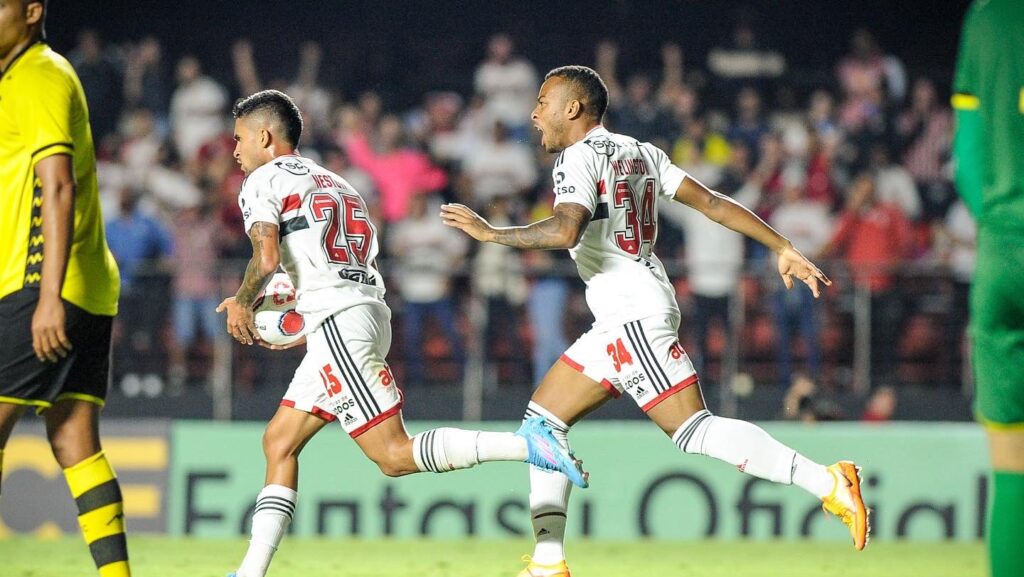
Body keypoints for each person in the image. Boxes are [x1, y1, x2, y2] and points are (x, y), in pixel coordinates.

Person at [440, 66, 869, 577]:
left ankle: (828, 482)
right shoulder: (641, 151)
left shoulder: (574, 158)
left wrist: (493, 235)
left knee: (692, 430)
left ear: (573, 109)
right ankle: (548, 563)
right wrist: (780, 244)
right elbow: (711, 203)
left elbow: (564, 229)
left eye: (543, 102)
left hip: (632, 315)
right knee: (542, 424)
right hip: (627, 312)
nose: (534, 113)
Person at [215, 90, 586, 577]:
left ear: (265, 136)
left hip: (339, 324)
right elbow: (328, 259)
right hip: (362, 313)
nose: (235, 149)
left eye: (239, 138)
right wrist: (296, 295)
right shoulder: (339, 182)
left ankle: (529, 445)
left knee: (393, 455)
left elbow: (265, 259)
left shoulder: (261, 180)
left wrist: (244, 302)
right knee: (279, 442)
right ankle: (249, 573)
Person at [0, 1, 129, 576]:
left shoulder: (40, 74)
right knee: (75, 441)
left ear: (31, 11)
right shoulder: (21, 79)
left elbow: (57, 188)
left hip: (43, 284)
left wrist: (48, 295)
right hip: (82, 284)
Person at [952, 2, 1024, 576]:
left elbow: (968, 160)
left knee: (1012, 465)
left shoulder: (988, 16)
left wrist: (1001, 229)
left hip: (1002, 252)